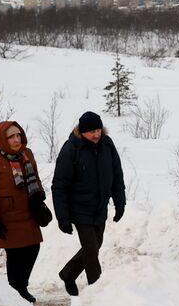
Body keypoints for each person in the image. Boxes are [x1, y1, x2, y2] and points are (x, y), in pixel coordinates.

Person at [52, 111, 126, 296]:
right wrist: (62, 217)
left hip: (99, 206)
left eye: (99, 130)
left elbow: (117, 175)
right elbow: (59, 185)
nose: (96, 135)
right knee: (91, 250)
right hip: (79, 208)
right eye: (92, 131)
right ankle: (97, 292)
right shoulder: (71, 149)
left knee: (96, 244)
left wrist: (120, 203)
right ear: (82, 131)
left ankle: (68, 273)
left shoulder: (107, 145)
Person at [0, 121, 53, 305]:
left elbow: (35, 178)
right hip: (6, 217)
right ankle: (16, 290)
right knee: (15, 254)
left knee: (33, 248)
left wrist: (39, 196)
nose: (16, 139)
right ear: (2, 139)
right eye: (11, 136)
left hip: (29, 213)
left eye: (18, 135)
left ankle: (21, 286)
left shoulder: (26, 155)